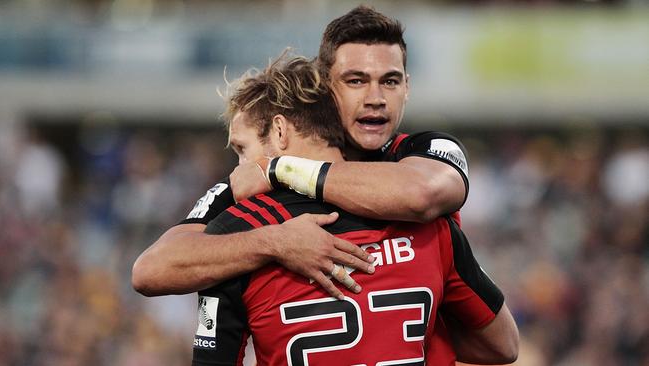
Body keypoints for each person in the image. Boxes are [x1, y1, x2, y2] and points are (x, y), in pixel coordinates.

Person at [132, 5, 516, 364]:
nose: (376, 98)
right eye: (356, 80)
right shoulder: (247, 198)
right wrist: (275, 242)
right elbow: (152, 270)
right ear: (326, 88)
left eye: (390, 81)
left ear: (407, 87)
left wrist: (279, 169)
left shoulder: (422, 153)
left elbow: (420, 194)